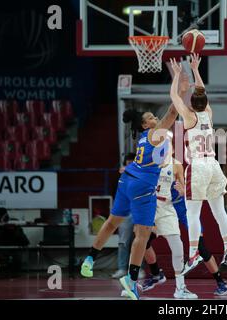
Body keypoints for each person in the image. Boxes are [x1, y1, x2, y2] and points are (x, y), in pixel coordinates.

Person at [79, 103, 179, 300]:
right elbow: (173, 112)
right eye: (151, 118)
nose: (156, 119)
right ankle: (131, 281)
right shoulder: (154, 133)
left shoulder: (142, 139)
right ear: (144, 125)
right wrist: (180, 88)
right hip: (142, 187)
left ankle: (90, 259)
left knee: (112, 222)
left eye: (154, 117)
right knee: (142, 235)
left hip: (127, 181)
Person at [169, 54, 227, 276]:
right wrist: (196, 70)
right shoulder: (208, 114)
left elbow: (173, 96)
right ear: (205, 103)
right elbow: (201, 92)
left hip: (198, 167)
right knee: (219, 211)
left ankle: (194, 252)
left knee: (192, 214)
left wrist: (178, 75)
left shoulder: (189, 117)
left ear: (192, 103)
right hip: (214, 165)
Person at [136, 148, 227, 297]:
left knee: (201, 247)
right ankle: (156, 274)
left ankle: (220, 282)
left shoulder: (177, 166)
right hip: (165, 210)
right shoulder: (153, 166)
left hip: (183, 210)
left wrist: (183, 190)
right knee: (143, 240)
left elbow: (189, 189)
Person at [111, 153, 145, 280]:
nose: (130, 165)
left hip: (140, 210)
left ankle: (140, 269)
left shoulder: (143, 175)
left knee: (140, 241)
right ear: (125, 164)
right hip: (125, 211)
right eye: (128, 163)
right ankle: (122, 268)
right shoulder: (121, 176)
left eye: (133, 163)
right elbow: (115, 192)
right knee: (123, 241)